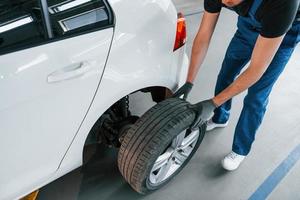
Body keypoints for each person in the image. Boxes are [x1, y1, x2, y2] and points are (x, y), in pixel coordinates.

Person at [173, 0, 300, 171]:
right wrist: (189, 81)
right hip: (248, 28)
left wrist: (212, 102)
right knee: (226, 73)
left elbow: (256, 69)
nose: (225, 2)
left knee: (257, 94)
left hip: (283, 34)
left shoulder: (283, 3)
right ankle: (220, 118)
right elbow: (204, 35)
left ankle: (240, 149)